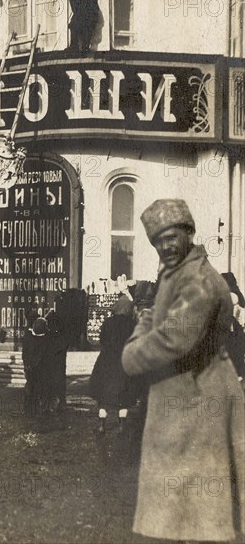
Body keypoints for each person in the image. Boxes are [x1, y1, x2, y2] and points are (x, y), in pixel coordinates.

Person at [122, 199, 245, 542]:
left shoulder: (198, 281)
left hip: (198, 399)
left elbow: (174, 338)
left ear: (189, 233)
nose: (165, 245)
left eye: (172, 236)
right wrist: (144, 325)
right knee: (183, 509)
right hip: (184, 397)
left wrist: (131, 355)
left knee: (200, 512)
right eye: (158, 240)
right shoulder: (175, 272)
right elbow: (152, 315)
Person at [89, 295, 136, 433]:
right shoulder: (132, 324)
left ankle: (101, 425)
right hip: (125, 361)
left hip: (107, 361)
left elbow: (101, 339)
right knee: (124, 394)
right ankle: (122, 425)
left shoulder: (108, 322)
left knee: (103, 394)